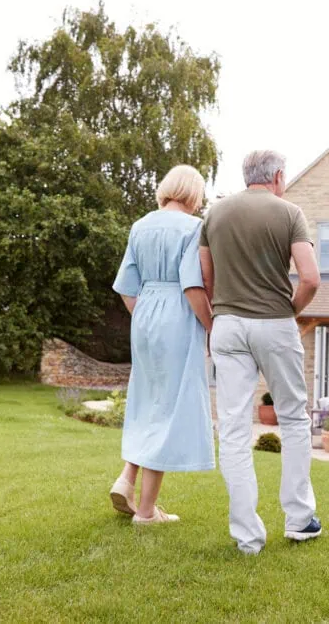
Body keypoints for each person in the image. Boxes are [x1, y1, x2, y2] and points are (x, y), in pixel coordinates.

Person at [200, 150, 322, 555]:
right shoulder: (289, 213)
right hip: (274, 322)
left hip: (228, 325)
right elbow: (310, 278)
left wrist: (224, 311)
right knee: (293, 418)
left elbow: (206, 275)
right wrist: (289, 310)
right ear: (279, 176)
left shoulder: (215, 215)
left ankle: (247, 537)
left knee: (233, 429)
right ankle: (300, 519)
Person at [109, 164, 215, 525]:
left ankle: (126, 479)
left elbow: (126, 286)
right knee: (168, 408)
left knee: (146, 399)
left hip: (144, 313)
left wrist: (145, 315)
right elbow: (193, 285)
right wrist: (211, 326)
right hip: (178, 313)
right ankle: (146, 511)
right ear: (193, 192)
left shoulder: (140, 226)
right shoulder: (194, 228)